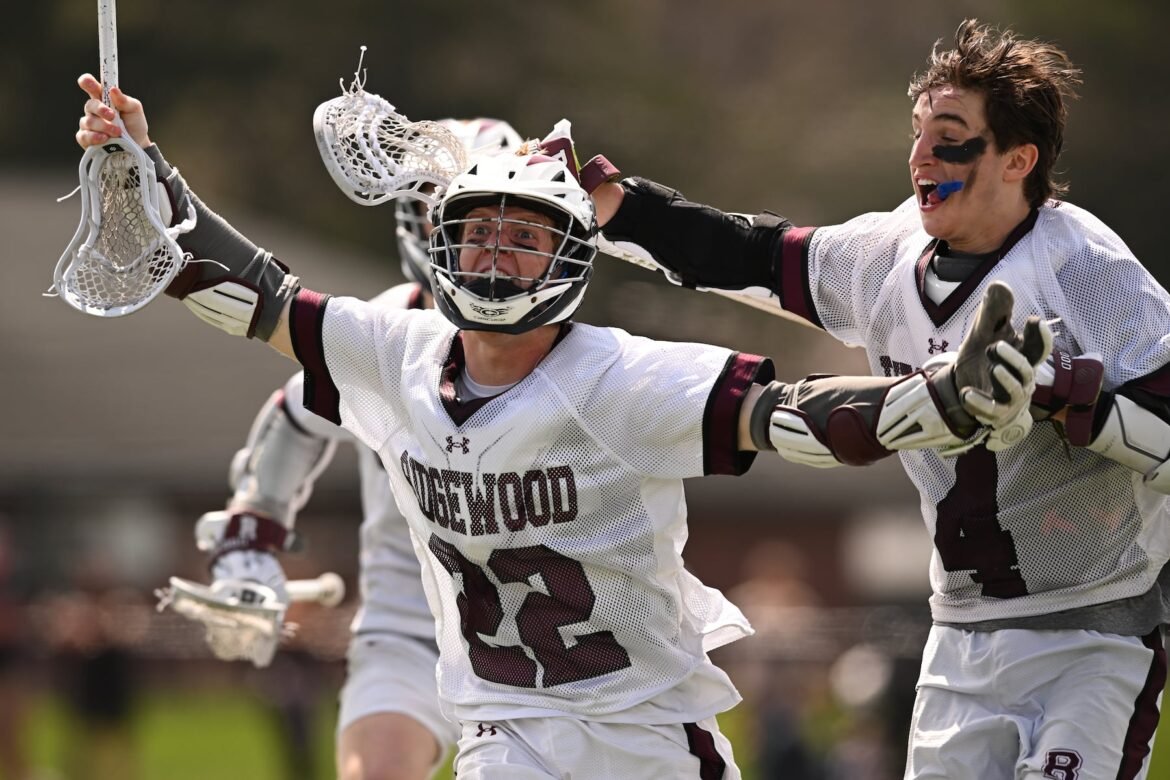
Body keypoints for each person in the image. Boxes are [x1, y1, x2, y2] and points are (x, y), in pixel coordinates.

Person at [73, 73, 1047, 779]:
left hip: (648, 735)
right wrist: (143, 168)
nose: (497, 255)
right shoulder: (395, 348)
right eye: (479, 230)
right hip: (505, 725)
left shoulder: (620, 378)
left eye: (526, 236)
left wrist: (931, 402)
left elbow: (789, 418)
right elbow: (252, 294)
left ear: (572, 257)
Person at [588, 18, 1170, 780]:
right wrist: (610, 206)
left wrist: (1063, 396)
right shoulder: (886, 256)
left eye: (950, 137)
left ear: (1018, 160)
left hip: (1096, 633)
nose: (920, 158)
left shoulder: (1088, 269)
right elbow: (746, 253)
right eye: (919, 134)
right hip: (959, 634)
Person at [200, 118, 523, 780]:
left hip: (548, 632)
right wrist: (249, 540)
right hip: (411, 627)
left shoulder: (589, 361)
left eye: (506, 225)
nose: (484, 249)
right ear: (425, 226)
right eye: (462, 220)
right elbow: (295, 416)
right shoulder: (383, 334)